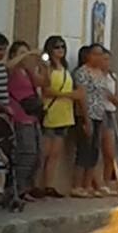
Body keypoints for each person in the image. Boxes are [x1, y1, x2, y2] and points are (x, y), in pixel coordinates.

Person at [35, 35, 82, 198]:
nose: (60, 50)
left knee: (55, 153)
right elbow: (46, 90)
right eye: (56, 47)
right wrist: (69, 95)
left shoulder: (65, 69)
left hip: (64, 114)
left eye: (62, 47)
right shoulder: (46, 68)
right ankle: (37, 185)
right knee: (45, 153)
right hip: (52, 112)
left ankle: (48, 185)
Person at [6, 41, 46, 202]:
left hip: (32, 115)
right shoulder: (12, 70)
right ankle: (16, 189)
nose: (26, 55)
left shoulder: (26, 72)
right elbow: (8, 65)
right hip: (19, 116)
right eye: (21, 52)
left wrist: (43, 65)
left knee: (37, 155)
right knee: (26, 153)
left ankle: (25, 188)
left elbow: (44, 82)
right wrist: (26, 55)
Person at [72, 44, 112, 198]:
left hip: (98, 115)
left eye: (101, 54)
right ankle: (77, 185)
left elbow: (103, 94)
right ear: (88, 55)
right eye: (95, 54)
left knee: (94, 152)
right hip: (85, 115)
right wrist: (86, 119)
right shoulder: (82, 73)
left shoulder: (100, 73)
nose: (99, 57)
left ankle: (88, 185)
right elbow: (82, 96)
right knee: (84, 150)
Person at [100, 49, 118, 195]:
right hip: (99, 112)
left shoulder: (112, 77)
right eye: (104, 59)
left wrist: (112, 97)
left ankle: (106, 182)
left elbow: (116, 97)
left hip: (110, 112)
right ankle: (99, 183)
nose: (106, 63)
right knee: (102, 150)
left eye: (108, 59)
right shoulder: (97, 77)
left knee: (110, 152)